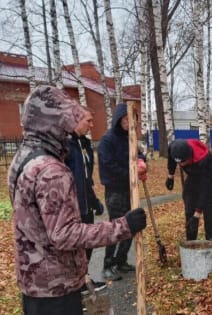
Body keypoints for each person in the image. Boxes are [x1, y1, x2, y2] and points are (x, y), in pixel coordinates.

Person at [7, 85, 147, 315]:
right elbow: (64, 234)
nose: (70, 127)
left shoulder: (23, 158)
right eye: (66, 119)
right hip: (56, 291)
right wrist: (124, 226)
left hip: (33, 283)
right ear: (54, 122)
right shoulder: (51, 170)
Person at [98, 103, 147, 281]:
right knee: (116, 227)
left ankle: (121, 261)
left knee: (131, 225)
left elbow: (139, 154)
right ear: (119, 120)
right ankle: (108, 265)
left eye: (132, 120)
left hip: (130, 189)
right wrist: (131, 174)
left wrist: (142, 162)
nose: (128, 123)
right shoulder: (107, 140)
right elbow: (108, 165)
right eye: (126, 120)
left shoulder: (130, 138)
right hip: (115, 190)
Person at [65, 108, 106, 290]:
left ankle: (85, 278)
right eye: (88, 121)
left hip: (86, 204)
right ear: (75, 120)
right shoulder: (66, 146)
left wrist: (94, 200)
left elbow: (86, 178)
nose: (92, 125)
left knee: (87, 244)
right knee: (76, 247)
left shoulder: (84, 144)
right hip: (72, 206)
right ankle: (77, 283)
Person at [165, 139, 212, 241]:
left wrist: (198, 213)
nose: (181, 165)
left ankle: (211, 245)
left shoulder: (205, 161)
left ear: (189, 156)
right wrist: (170, 175)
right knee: (189, 208)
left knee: (209, 213)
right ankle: (190, 244)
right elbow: (171, 160)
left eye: (183, 162)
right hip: (193, 176)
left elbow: (205, 189)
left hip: (209, 180)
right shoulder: (173, 147)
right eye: (179, 163)